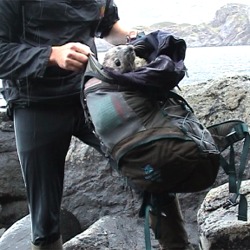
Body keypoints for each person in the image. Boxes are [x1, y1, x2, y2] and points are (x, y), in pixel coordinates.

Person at [0, 1, 194, 249]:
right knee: (44, 213)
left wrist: (135, 37)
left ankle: (178, 245)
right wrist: (52, 55)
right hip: (36, 104)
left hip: (93, 95)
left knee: (150, 166)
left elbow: (107, 25)